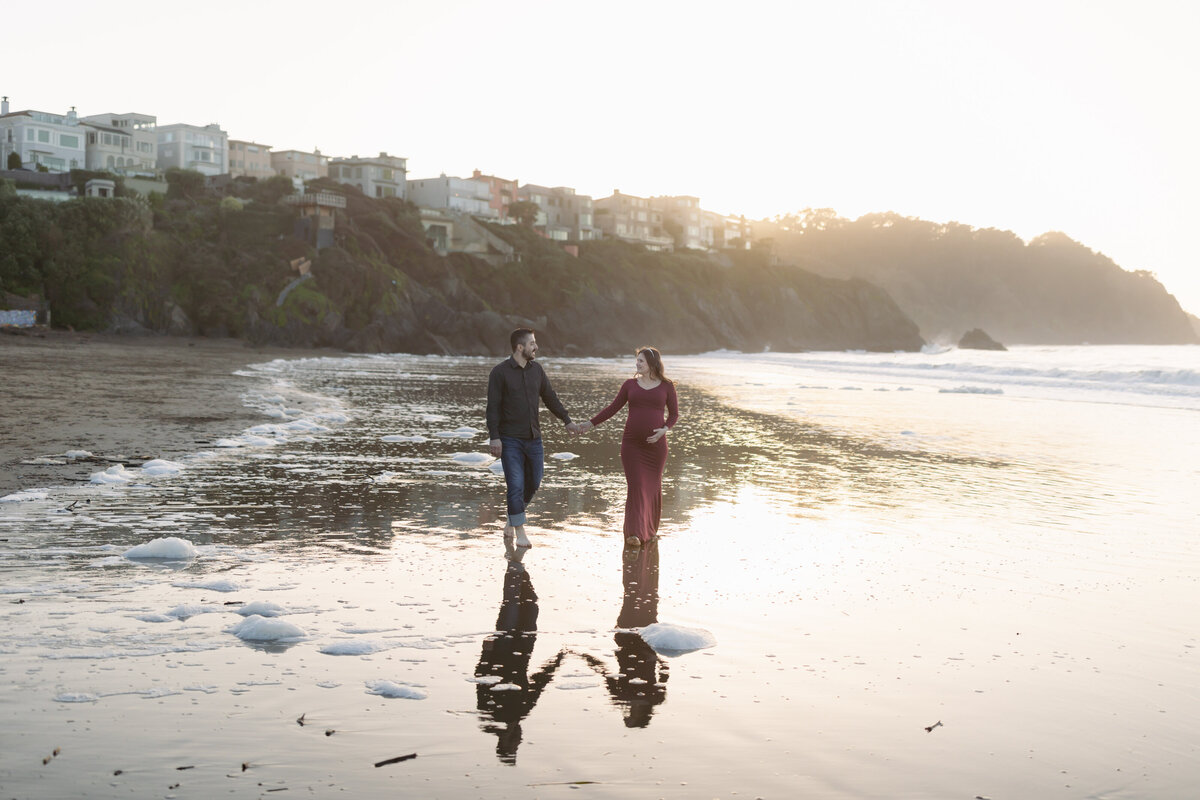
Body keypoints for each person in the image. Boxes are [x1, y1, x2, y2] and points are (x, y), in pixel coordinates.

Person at [576, 346, 679, 547]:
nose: (637, 364)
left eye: (641, 361)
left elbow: (674, 414)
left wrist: (664, 429)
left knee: (651, 488)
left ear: (652, 364)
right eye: (637, 360)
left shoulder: (666, 386)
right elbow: (613, 408)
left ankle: (648, 531)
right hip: (632, 445)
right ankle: (634, 533)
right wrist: (589, 424)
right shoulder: (629, 385)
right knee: (636, 487)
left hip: (655, 448)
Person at [487, 328, 577, 548]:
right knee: (515, 484)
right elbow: (493, 408)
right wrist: (494, 437)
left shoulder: (537, 370)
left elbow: (550, 398)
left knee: (534, 482)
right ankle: (520, 531)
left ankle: (512, 517)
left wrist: (567, 420)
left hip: (533, 438)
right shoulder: (500, 373)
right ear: (520, 347)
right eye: (532, 343)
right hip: (510, 440)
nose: (536, 347)